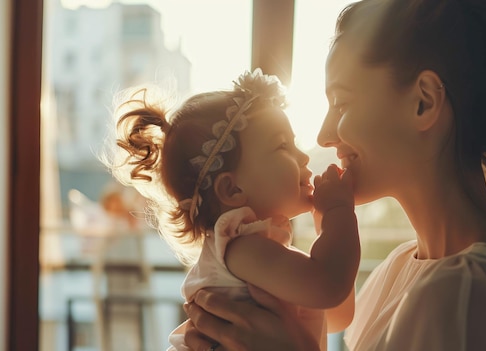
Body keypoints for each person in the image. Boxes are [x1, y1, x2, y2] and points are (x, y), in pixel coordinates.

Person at [182, 0, 486, 350]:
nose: (324, 136)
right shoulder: (400, 269)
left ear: (423, 102)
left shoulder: (463, 291)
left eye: (341, 102)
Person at [101, 69, 360, 351]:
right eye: (283, 146)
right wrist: (338, 211)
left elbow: (335, 314)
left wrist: (328, 228)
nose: (304, 156)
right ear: (232, 190)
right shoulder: (241, 250)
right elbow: (328, 287)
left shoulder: (267, 256)